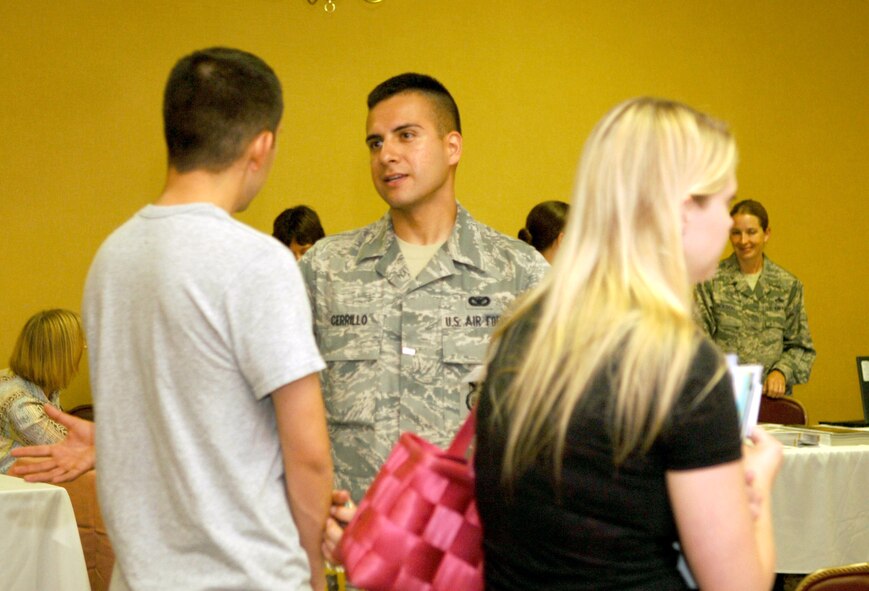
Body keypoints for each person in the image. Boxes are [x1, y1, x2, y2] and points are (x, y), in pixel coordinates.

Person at [474, 98, 782, 590]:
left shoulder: (521, 333)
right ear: (682, 211)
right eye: (724, 204)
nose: (728, 225)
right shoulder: (677, 362)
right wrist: (758, 487)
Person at [81, 47, 332, 591]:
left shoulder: (111, 258)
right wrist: (317, 573)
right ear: (262, 146)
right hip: (248, 578)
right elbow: (308, 452)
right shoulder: (258, 262)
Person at [298, 72, 548, 503]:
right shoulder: (327, 270)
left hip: (469, 552)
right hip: (351, 548)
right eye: (375, 143)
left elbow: (553, 426)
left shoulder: (520, 274)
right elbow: (286, 418)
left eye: (405, 136)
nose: (386, 155)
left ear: (453, 147)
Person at [694, 199, 816, 398]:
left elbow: (801, 347)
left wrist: (781, 372)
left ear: (766, 233)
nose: (743, 241)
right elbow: (697, 345)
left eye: (751, 232)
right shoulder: (710, 282)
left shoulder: (787, 285)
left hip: (771, 403)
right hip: (723, 399)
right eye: (736, 233)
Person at [1, 309, 83, 474]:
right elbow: (71, 450)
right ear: (61, 355)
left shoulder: (44, 387)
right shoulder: (21, 405)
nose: (83, 349)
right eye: (80, 344)